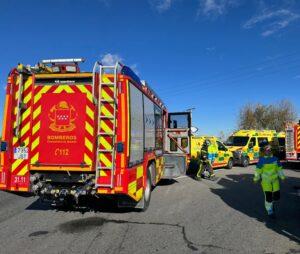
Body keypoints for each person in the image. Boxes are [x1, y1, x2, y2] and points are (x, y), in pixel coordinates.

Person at [253, 145, 285, 218]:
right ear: (264, 152)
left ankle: (271, 203)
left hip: (275, 181)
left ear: (272, 151)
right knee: (268, 197)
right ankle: (269, 210)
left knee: (277, 197)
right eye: (267, 150)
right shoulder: (261, 160)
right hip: (266, 182)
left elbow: (279, 169)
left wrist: (282, 177)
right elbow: (258, 171)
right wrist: (256, 178)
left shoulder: (276, 159)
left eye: (270, 150)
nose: (268, 151)